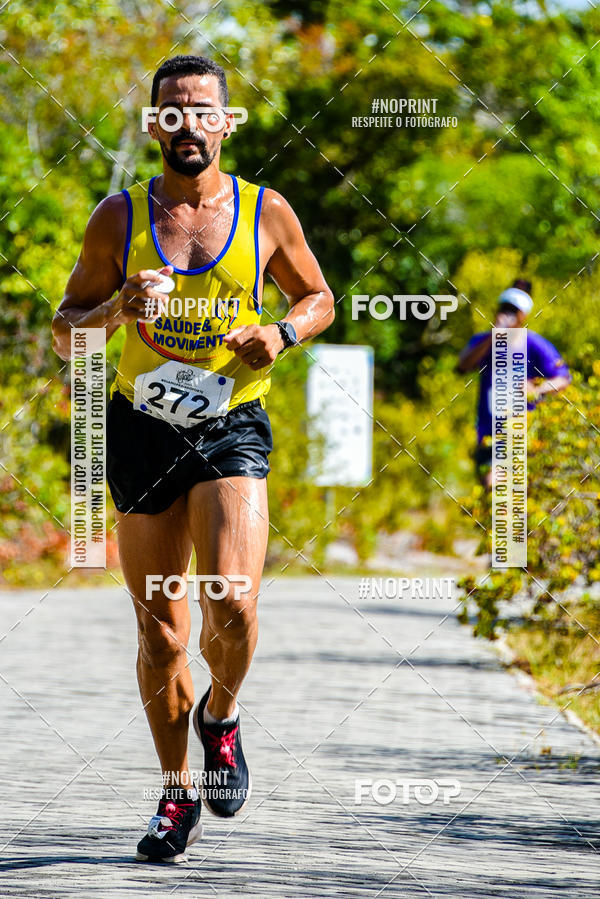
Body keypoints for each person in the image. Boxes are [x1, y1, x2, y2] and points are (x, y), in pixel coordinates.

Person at [51, 54, 334, 863]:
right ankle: (177, 797)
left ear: (225, 122)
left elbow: (318, 297)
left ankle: (223, 714)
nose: (186, 125)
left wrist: (280, 332)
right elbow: (68, 331)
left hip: (229, 428)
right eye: (171, 112)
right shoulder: (118, 217)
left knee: (235, 606)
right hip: (141, 430)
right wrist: (115, 307)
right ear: (153, 125)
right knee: (162, 636)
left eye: (201, 111)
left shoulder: (264, 211)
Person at [457, 279, 570, 489]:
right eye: (504, 308)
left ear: (523, 316)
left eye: (513, 310)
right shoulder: (483, 341)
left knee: (525, 493)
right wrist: (494, 336)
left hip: (526, 435)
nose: (507, 314)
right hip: (489, 434)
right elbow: (463, 365)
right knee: (494, 485)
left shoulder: (534, 344)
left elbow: (563, 378)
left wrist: (537, 389)